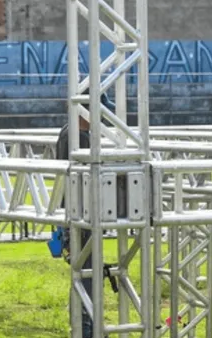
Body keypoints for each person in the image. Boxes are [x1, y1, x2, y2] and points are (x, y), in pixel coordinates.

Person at [56, 92, 115, 338]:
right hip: (82, 212)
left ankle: (84, 325)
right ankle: (85, 327)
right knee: (87, 273)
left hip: (75, 211)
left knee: (84, 272)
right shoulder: (78, 137)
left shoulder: (67, 132)